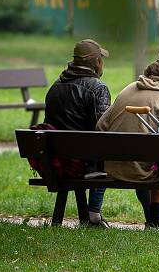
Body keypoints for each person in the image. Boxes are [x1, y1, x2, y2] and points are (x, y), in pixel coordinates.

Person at [96, 50, 159, 230]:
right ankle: (155, 218)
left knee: (151, 157)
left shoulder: (129, 88)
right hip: (144, 172)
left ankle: (154, 219)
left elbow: (101, 126)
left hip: (114, 167)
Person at [44, 38, 111, 227]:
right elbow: (104, 131)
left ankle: (89, 215)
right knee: (107, 151)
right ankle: (94, 213)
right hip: (86, 165)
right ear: (97, 63)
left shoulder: (54, 87)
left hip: (57, 162)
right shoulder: (98, 88)